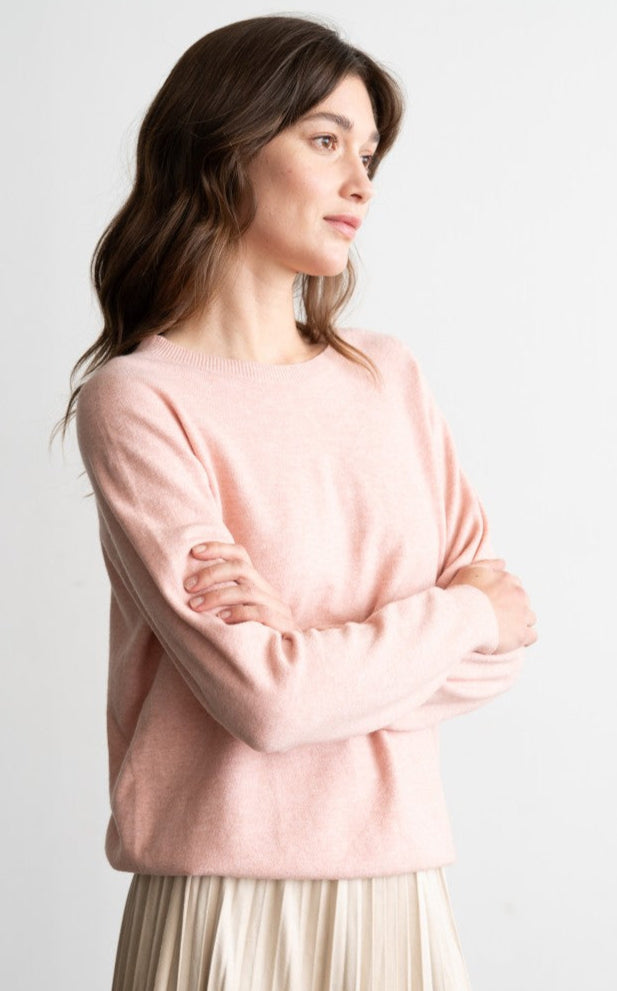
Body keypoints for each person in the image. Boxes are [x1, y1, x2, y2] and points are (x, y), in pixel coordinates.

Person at [61, 14, 537, 991]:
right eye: (324, 140)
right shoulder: (140, 401)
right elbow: (266, 702)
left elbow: (501, 653)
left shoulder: (387, 377)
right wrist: (457, 611)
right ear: (222, 149)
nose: (360, 181)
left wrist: (308, 659)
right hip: (222, 901)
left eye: (367, 152)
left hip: (399, 889)